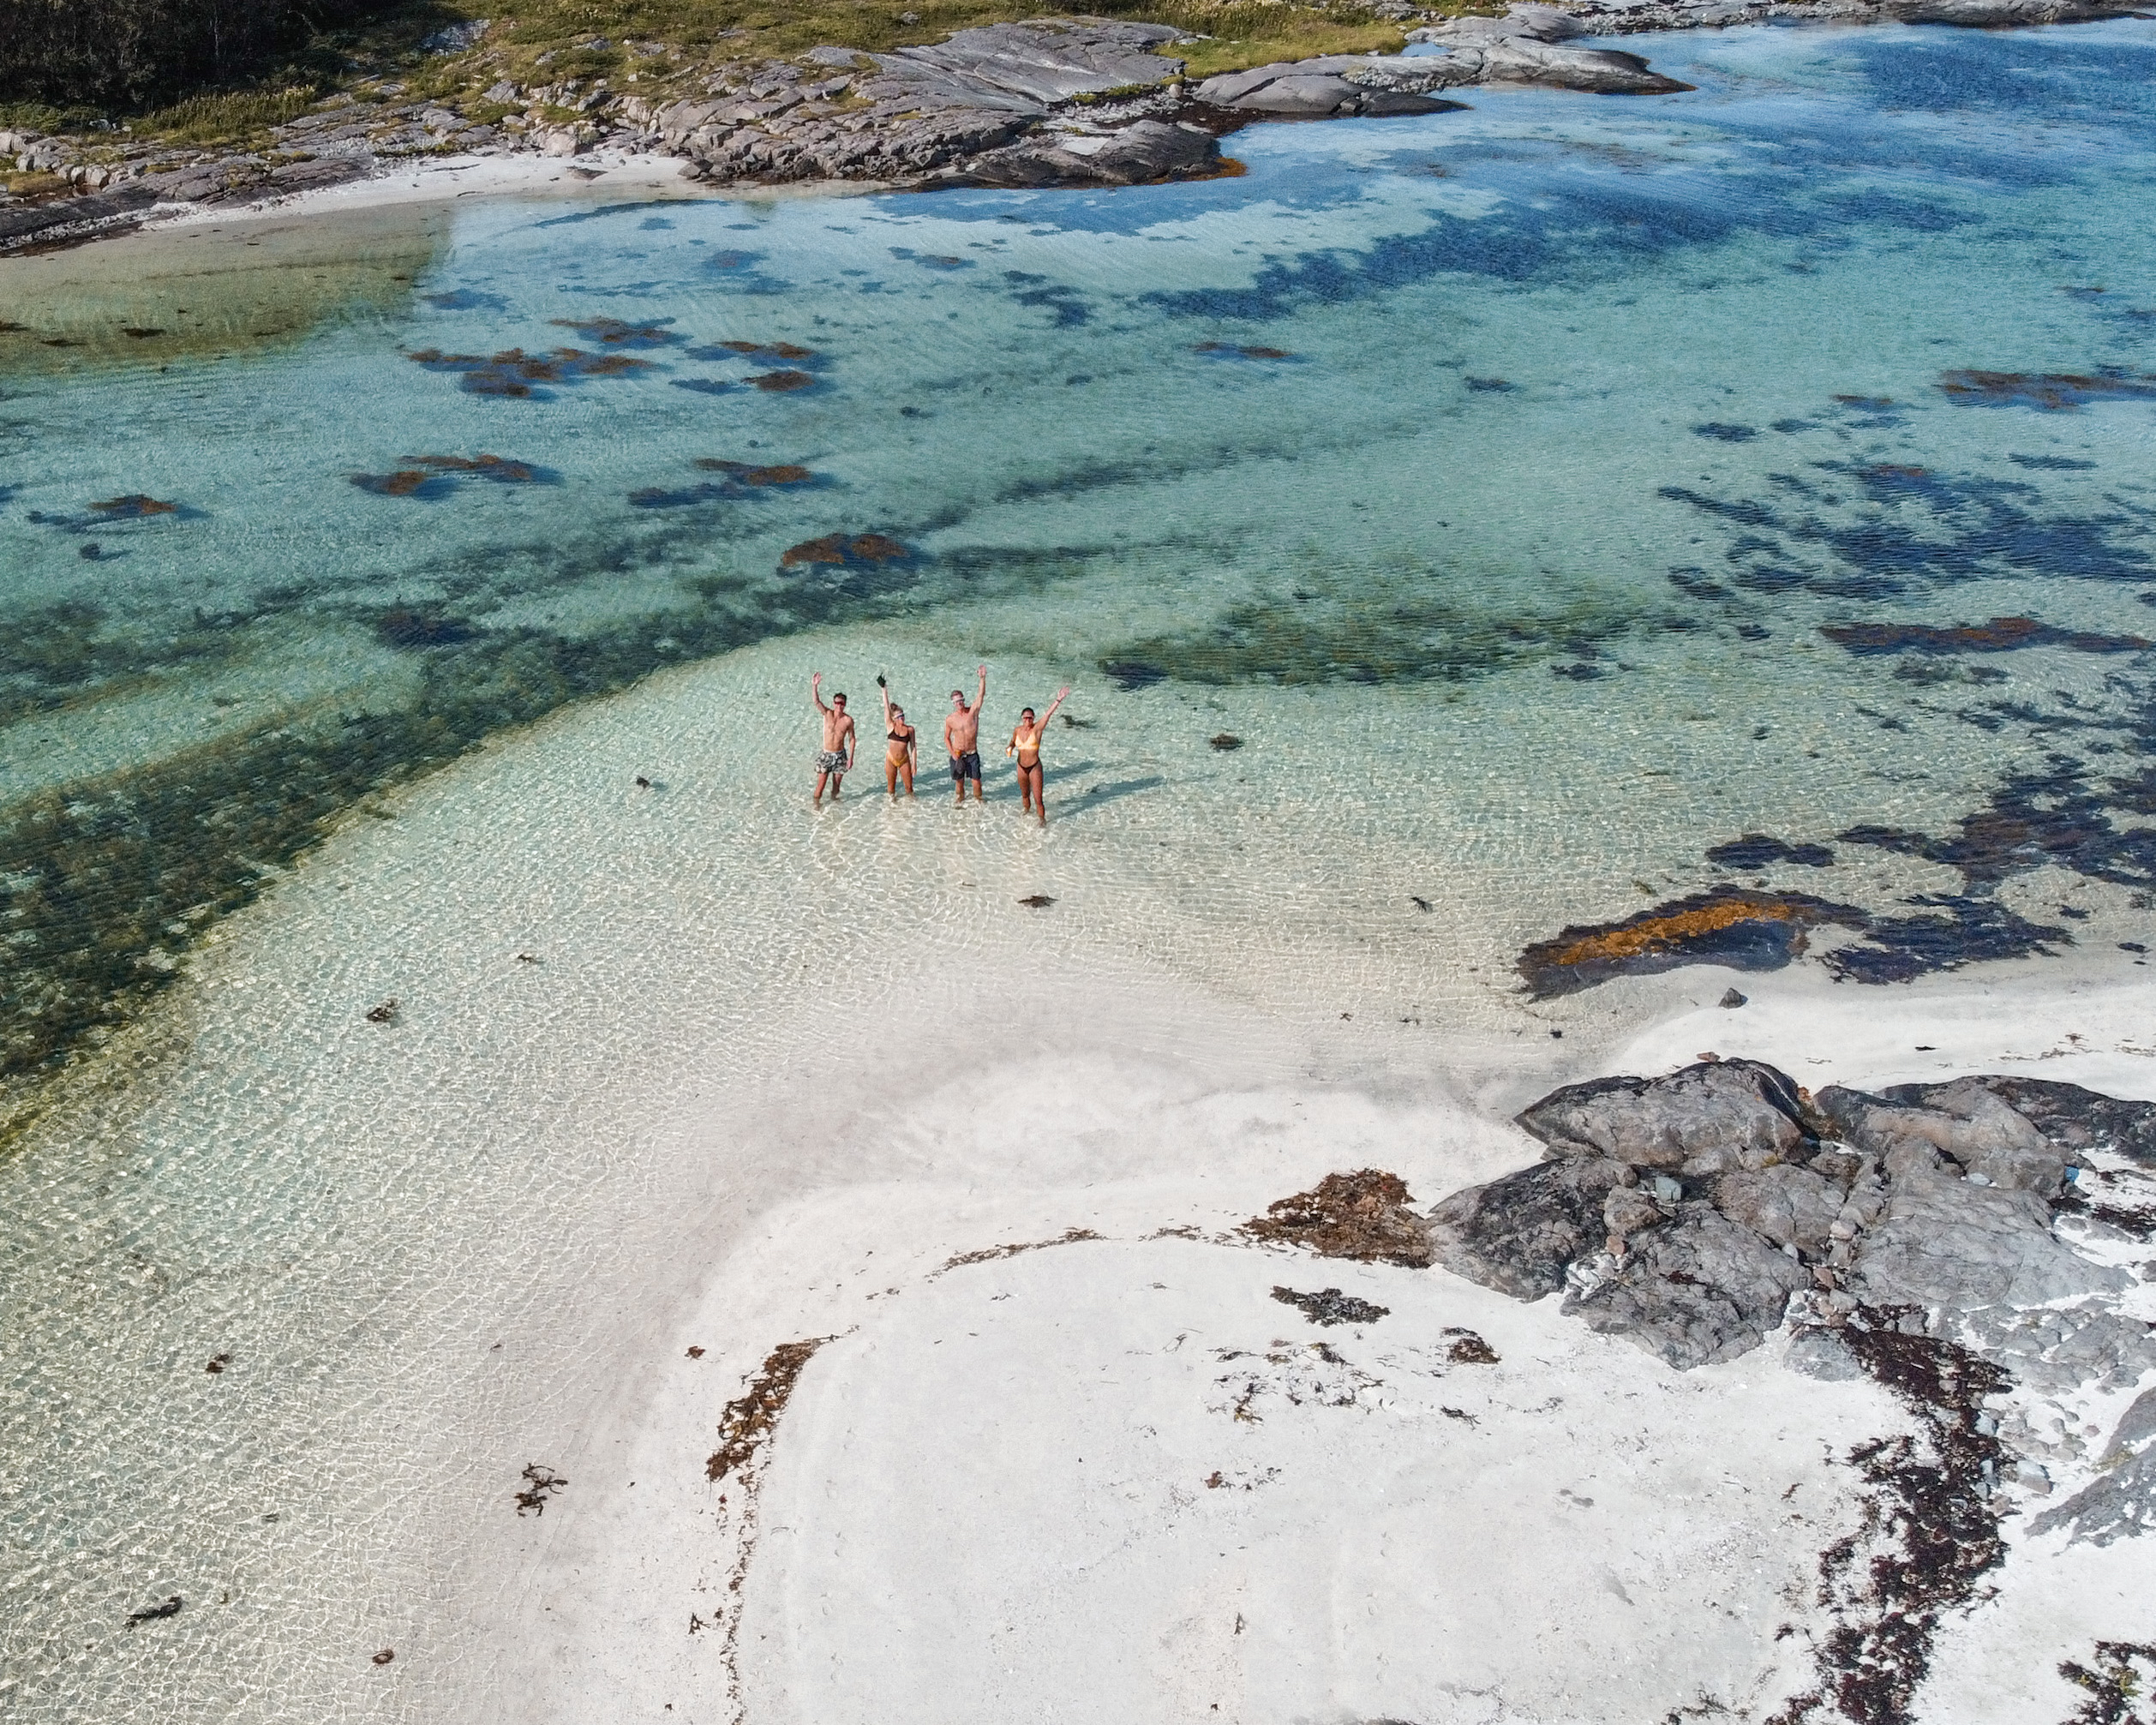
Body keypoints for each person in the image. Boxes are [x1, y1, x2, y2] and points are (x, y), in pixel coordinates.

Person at [1007, 686, 1071, 826]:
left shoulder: (1037, 729)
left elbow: (1048, 715)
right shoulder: (1017, 730)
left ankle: (1042, 820)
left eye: (1030, 718)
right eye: (1025, 718)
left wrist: (1058, 700)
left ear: (1033, 718)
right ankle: (1026, 811)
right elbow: (1012, 741)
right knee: (1024, 795)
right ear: (1022, 718)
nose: (1028, 720)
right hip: (1020, 766)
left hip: (1034, 767)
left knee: (1038, 798)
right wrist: (1010, 747)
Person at [943, 664, 988, 806]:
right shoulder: (950, 719)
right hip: (958, 753)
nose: (960, 703)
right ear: (953, 704)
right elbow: (946, 738)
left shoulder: (972, 712)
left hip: (972, 753)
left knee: (976, 782)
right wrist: (953, 753)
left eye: (961, 700)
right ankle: (960, 800)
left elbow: (980, 696)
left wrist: (982, 678)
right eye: (956, 702)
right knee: (959, 783)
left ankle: (979, 802)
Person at [811, 673, 854, 806]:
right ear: (834, 703)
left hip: (840, 756)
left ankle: (834, 807)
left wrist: (851, 758)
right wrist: (814, 686)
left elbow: (852, 739)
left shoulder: (848, 720)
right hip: (826, 755)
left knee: (836, 787)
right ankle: (816, 807)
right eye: (836, 703)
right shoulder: (827, 713)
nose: (839, 706)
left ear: (845, 704)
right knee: (821, 785)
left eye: (841, 703)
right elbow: (816, 702)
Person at [877, 674, 917, 799]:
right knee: (891, 788)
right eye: (899, 716)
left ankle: (911, 809)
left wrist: (914, 764)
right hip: (891, 760)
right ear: (894, 718)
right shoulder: (890, 726)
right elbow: (886, 707)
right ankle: (892, 810)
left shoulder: (910, 730)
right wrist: (884, 690)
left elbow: (913, 748)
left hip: (904, 760)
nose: (902, 718)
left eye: (903, 715)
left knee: (909, 788)